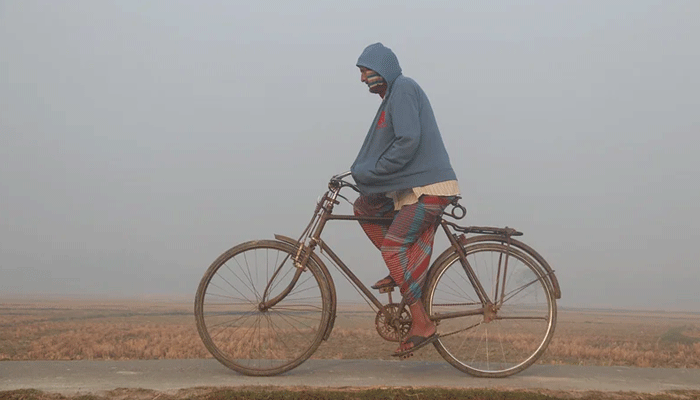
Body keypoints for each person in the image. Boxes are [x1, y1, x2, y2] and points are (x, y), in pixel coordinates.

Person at [350, 43, 461, 358]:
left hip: (430, 189)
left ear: (380, 68)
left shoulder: (403, 90)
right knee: (365, 207)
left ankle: (422, 323)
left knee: (391, 247)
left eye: (364, 71)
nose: (362, 79)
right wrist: (365, 174)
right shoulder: (391, 98)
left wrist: (375, 170)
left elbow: (408, 140)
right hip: (414, 191)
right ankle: (404, 272)